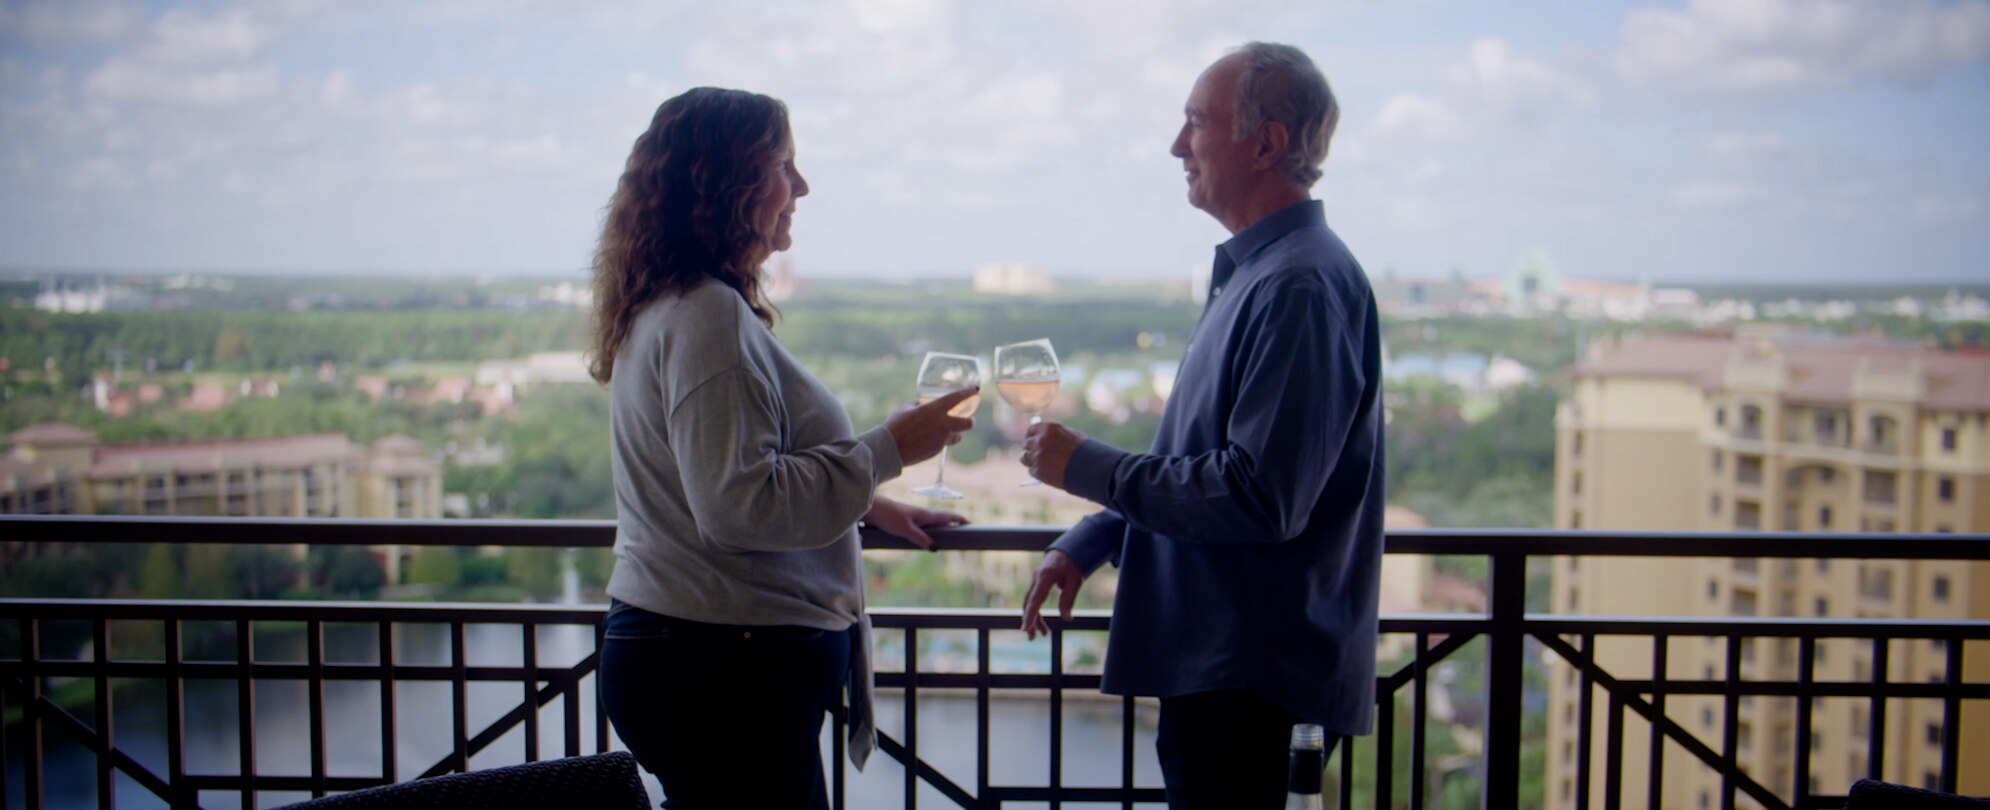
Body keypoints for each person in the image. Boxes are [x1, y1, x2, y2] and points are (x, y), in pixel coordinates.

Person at [1018, 43, 1384, 810]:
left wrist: (1088, 465)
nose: (1177, 145)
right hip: (1223, 671)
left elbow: (1257, 495)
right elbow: (1201, 462)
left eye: (1195, 123)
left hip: (1249, 682)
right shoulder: (1263, 273)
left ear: (1266, 143)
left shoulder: (1298, 288)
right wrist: (1094, 540)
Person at [589, 86, 975, 810]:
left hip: (703, 662)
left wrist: (865, 503)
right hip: (720, 671)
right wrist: (885, 449)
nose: (801, 187)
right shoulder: (706, 316)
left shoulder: (678, 304)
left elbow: (720, 477)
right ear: (725, 181)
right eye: (782, 164)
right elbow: (738, 507)